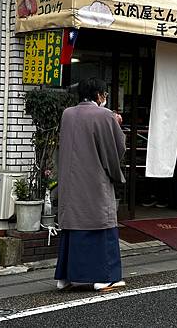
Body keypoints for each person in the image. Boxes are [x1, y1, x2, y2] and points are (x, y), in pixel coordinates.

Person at [54, 78, 127, 291]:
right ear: (99, 95)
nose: (105, 99)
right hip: (94, 182)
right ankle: (104, 277)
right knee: (101, 226)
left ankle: (65, 276)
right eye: (104, 95)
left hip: (70, 183)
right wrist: (116, 123)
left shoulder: (67, 114)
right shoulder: (104, 115)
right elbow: (115, 149)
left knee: (72, 227)